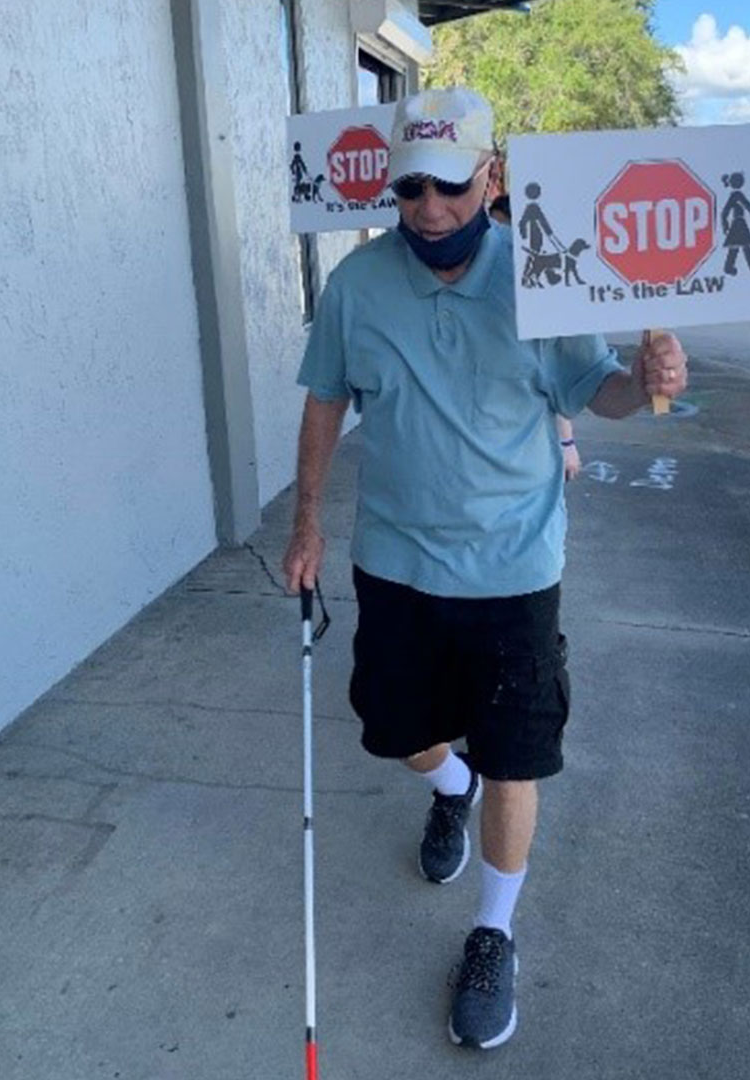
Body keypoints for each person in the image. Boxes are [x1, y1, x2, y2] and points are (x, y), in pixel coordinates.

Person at [282, 87, 687, 1051]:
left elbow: (599, 391)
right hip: (398, 564)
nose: (429, 210)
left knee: (518, 758)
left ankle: (493, 933)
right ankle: (445, 785)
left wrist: (648, 381)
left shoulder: (546, 272)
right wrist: (305, 525)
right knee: (399, 735)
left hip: (514, 567)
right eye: (411, 188)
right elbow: (324, 403)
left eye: (452, 188)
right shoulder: (356, 285)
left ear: (492, 177)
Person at [489, 193, 581, 481]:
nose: (495, 235)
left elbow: (557, 381)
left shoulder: (538, 295)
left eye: (503, 228)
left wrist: (567, 444)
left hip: (527, 456)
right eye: (491, 226)